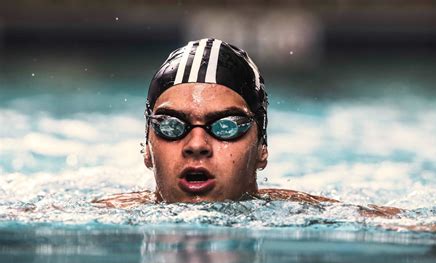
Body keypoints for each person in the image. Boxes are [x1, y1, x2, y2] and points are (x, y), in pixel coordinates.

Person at [93, 38, 400, 217]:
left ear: (261, 148)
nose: (197, 143)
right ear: (147, 147)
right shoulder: (102, 215)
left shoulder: (309, 216)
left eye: (226, 126)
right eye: (172, 125)